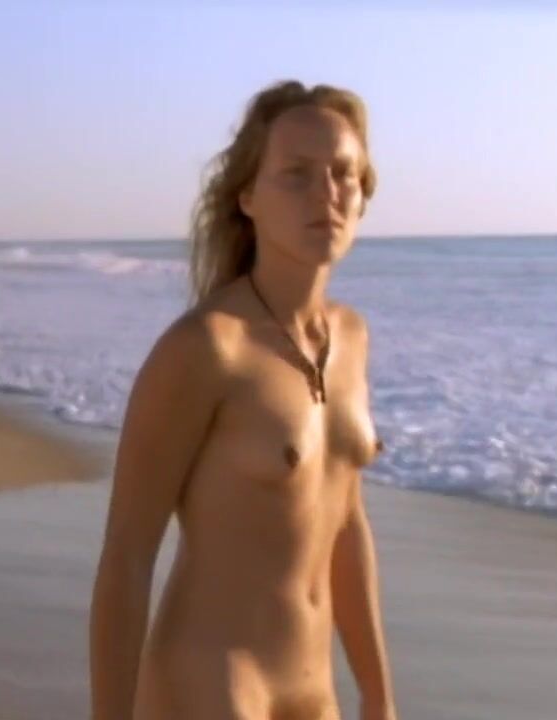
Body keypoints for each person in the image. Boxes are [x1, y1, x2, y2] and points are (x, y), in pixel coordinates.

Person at [89, 80, 397, 720]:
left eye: (343, 173)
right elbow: (127, 556)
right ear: (248, 197)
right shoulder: (206, 349)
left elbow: (345, 525)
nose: (326, 192)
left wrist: (377, 693)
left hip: (314, 690)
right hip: (212, 681)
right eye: (297, 174)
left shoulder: (352, 338)